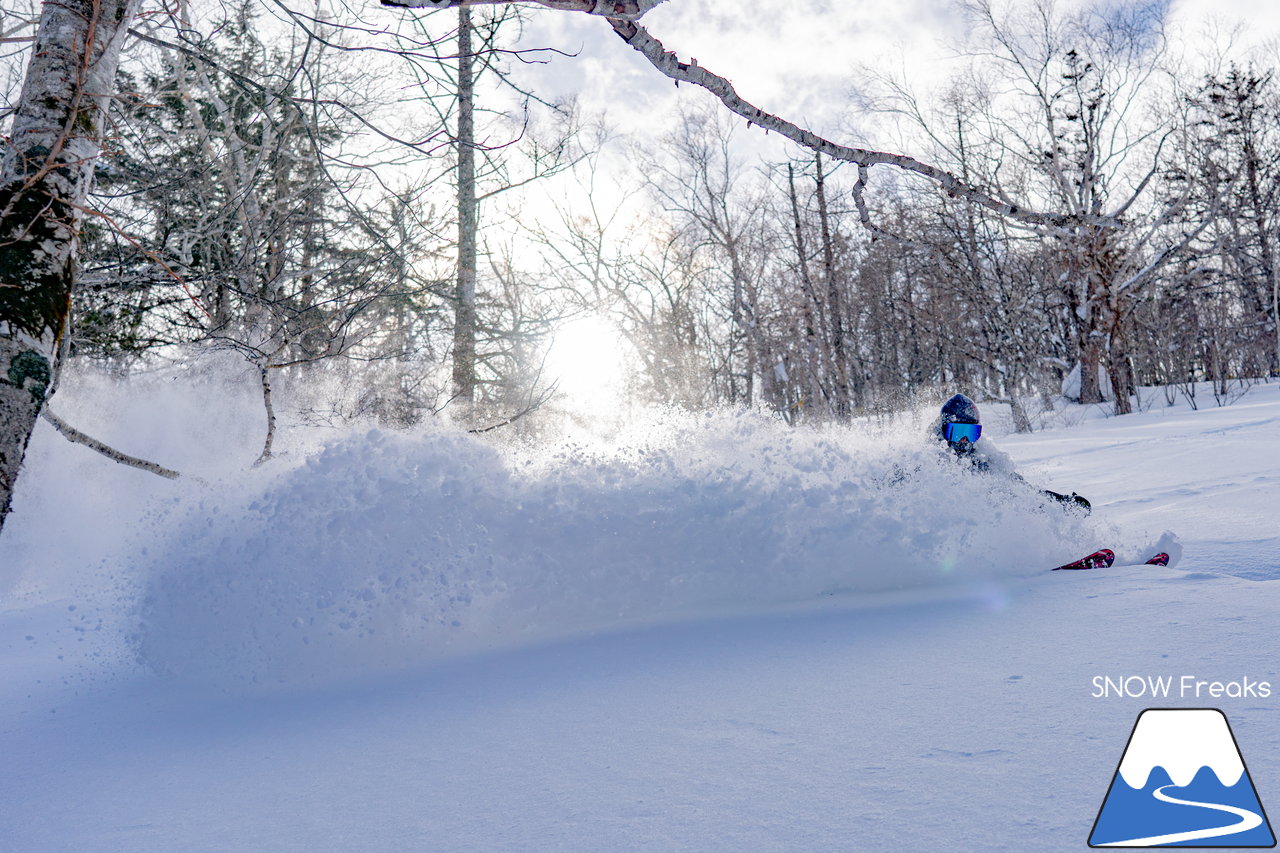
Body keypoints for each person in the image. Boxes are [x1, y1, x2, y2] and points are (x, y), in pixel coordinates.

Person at [933, 393, 1091, 514]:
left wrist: (1060, 502)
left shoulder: (981, 456)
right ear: (944, 429)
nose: (964, 440)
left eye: (971, 433)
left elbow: (1018, 488)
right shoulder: (930, 458)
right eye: (958, 432)